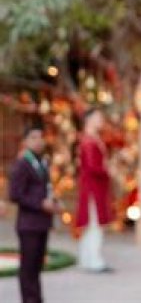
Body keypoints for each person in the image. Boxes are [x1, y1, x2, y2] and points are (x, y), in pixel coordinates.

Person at [9, 125, 61, 303]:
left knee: (37, 265)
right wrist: (40, 204)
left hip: (41, 222)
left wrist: (53, 201)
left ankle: (36, 298)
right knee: (28, 267)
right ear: (25, 141)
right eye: (33, 137)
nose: (38, 141)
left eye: (40, 137)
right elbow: (15, 194)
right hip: (28, 224)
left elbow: (44, 188)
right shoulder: (22, 164)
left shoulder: (42, 162)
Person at [75, 108, 114, 273]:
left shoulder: (91, 139)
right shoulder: (89, 141)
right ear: (89, 119)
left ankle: (87, 258)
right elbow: (92, 166)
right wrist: (108, 171)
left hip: (94, 186)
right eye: (98, 117)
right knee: (95, 223)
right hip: (93, 188)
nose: (101, 120)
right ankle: (94, 260)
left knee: (92, 224)